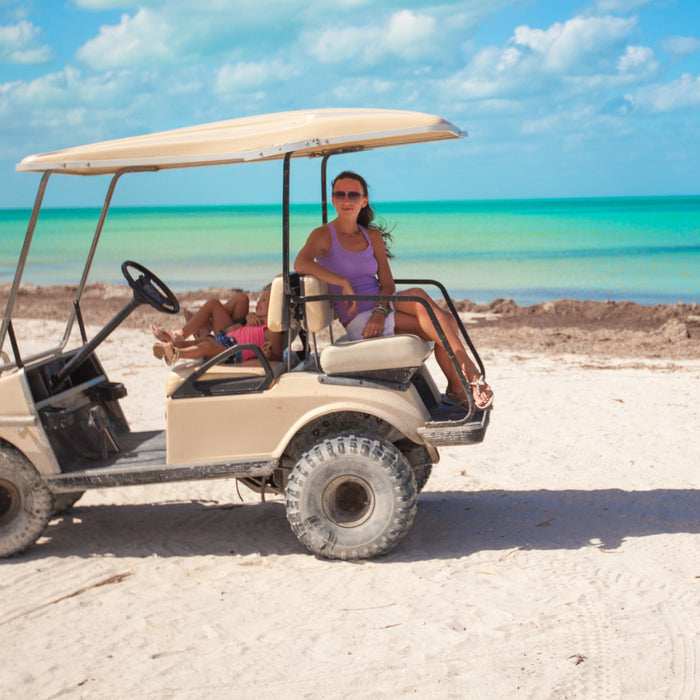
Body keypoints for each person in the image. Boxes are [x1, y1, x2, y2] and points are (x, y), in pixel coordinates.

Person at [294, 170, 493, 410]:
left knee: (428, 303)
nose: (346, 200)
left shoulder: (372, 236)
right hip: (359, 319)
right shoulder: (323, 235)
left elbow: (387, 284)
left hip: (381, 305)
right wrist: (343, 282)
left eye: (353, 195)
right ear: (333, 200)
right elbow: (301, 263)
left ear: (364, 201)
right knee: (443, 321)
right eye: (340, 194)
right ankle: (465, 379)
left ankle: (459, 385)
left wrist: (380, 310)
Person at [152, 287, 282, 367]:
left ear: (275, 306)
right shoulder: (255, 319)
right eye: (259, 299)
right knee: (199, 342)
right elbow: (241, 329)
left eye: (264, 300)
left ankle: (177, 354)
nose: (258, 302)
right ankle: (169, 346)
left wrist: (268, 355)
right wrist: (248, 317)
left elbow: (278, 356)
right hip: (225, 339)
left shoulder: (272, 329)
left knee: (205, 347)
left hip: (233, 351)